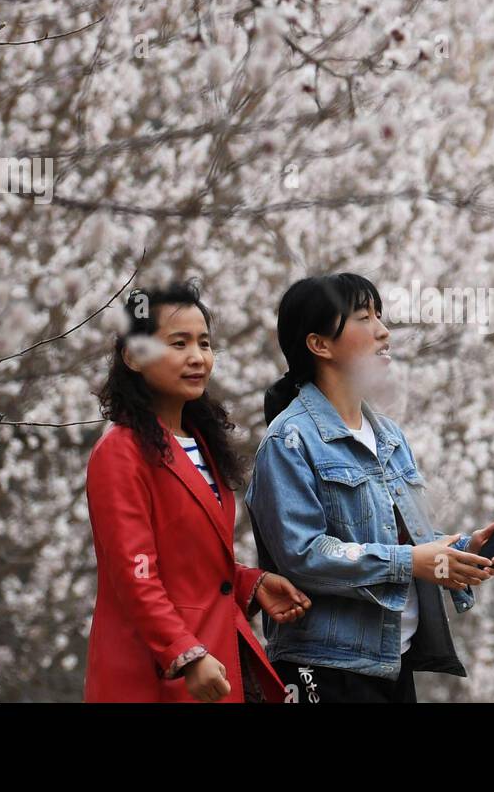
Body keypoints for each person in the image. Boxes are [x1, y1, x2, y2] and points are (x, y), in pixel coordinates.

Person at [247, 272, 494, 703]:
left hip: (393, 661)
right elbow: (303, 555)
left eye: (380, 317)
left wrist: (459, 551)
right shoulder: (289, 441)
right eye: (364, 318)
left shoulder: (388, 436)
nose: (383, 332)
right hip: (325, 668)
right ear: (319, 345)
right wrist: (412, 561)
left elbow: (402, 542)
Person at [84, 279, 310, 702]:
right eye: (178, 343)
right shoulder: (119, 452)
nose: (197, 357)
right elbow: (136, 575)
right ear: (133, 356)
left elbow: (190, 565)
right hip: (157, 672)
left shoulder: (201, 443)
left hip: (219, 655)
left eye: (204, 344)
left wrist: (249, 584)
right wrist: (185, 654)